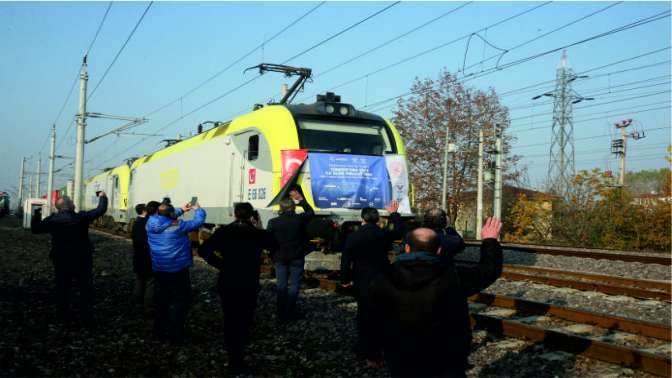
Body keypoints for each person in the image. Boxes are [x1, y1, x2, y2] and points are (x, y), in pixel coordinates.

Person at [368, 218, 503, 377]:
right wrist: (490, 240)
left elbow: (371, 318)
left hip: (401, 355)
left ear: (407, 248)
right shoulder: (453, 276)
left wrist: (373, 353)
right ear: (439, 250)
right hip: (447, 358)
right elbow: (488, 271)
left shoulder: (383, 278)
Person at [198, 202, 277, 374]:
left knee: (230, 317)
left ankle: (231, 354)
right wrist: (259, 226)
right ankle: (239, 357)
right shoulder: (257, 234)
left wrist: (221, 265)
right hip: (248, 281)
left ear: (234, 214)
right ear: (251, 216)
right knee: (245, 318)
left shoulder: (224, 232)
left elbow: (203, 250)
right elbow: (274, 247)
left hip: (228, 279)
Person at [30, 192, 108, 327]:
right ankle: (86, 317)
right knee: (85, 288)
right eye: (72, 202)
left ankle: (63, 316)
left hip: (61, 258)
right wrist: (102, 196)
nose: (74, 203)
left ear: (59, 208)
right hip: (82, 259)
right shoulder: (81, 217)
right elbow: (100, 210)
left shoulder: (52, 220)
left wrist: (36, 213)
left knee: (62, 287)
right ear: (70, 206)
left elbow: (35, 229)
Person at [339, 200, 405, 360]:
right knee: (382, 312)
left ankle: (364, 346)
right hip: (383, 277)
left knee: (364, 313)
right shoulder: (383, 234)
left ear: (362, 219)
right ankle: (381, 344)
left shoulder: (353, 237)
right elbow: (400, 230)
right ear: (377, 220)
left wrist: (345, 279)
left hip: (362, 279)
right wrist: (394, 213)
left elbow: (346, 260)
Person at [147, 200, 206, 345]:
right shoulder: (179, 226)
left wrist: (181, 210)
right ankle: (175, 336)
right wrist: (198, 209)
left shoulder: (150, 223)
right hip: (178, 270)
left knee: (161, 302)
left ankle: (158, 333)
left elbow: (165, 219)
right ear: (171, 214)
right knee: (180, 303)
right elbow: (198, 221)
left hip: (160, 269)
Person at [267, 188, 314, 322]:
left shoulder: (273, 222)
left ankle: (281, 312)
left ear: (281, 208)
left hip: (280, 257)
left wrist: (272, 254)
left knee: (281, 285)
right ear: (293, 208)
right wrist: (301, 200)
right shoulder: (299, 219)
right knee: (294, 284)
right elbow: (311, 212)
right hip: (297, 256)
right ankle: (289, 311)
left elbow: (269, 241)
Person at [131, 203, 153, 314]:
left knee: (139, 280)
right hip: (148, 257)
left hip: (138, 256)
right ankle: (148, 307)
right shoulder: (148, 223)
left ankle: (137, 305)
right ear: (145, 211)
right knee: (150, 282)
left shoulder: (135, 223)